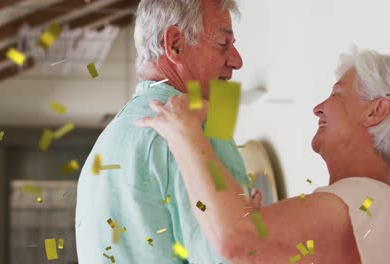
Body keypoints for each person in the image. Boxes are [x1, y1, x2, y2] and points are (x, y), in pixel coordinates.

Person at [135, 49, 390, 263]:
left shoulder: (365, 200)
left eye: (337, 95)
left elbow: (237, 242)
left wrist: (185, 134)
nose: (318, 108)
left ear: (375, 112)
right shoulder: (379, 206)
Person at [75, 1, 255, 263]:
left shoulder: (107, 142)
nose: (237, 61)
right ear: (175, 44)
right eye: (222, 43)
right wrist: (258, 228)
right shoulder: (195, 128)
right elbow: (237, 256)